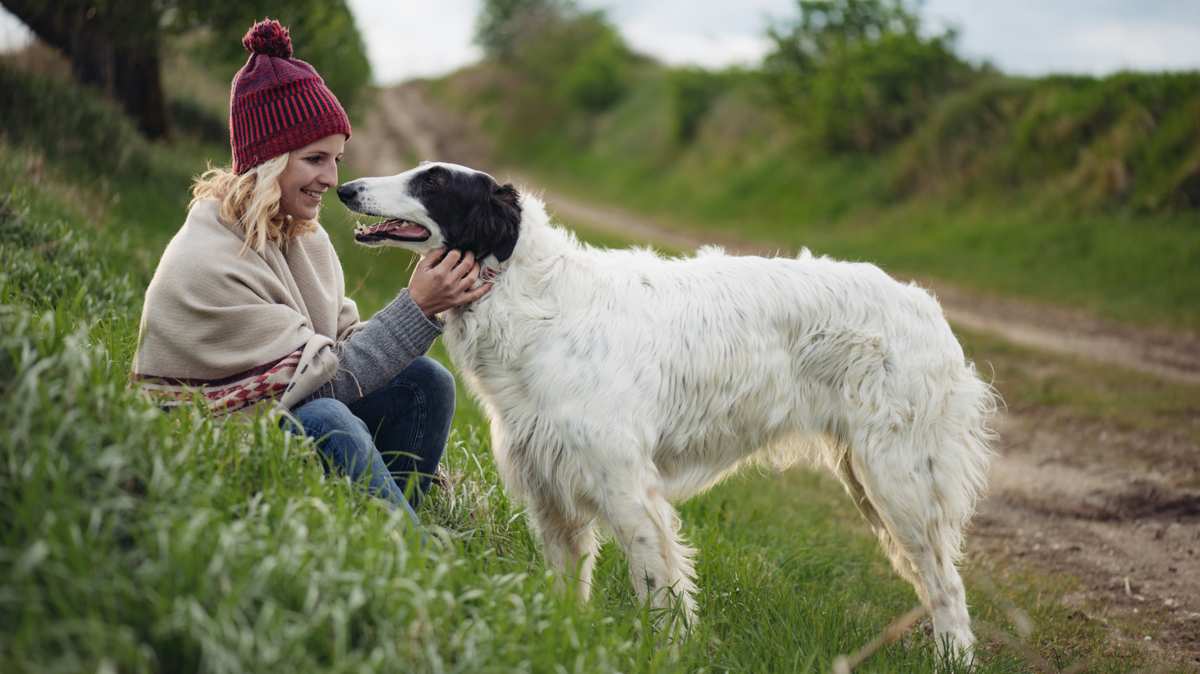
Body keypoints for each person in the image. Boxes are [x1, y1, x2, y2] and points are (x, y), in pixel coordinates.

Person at [131, 18, 489, 526]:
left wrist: (430, 307)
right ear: (270, 161)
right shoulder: (209, 260)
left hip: (281, 416)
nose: (332, 179)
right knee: (328, 418)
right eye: (315, 159)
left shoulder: (303, 237)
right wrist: (417, 308)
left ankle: (386, 522)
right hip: (208, 441)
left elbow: (340, 346)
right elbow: (321, 388)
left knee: (425, 382)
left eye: (337, 158)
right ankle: (412, 553)